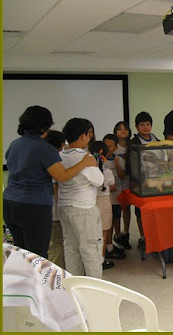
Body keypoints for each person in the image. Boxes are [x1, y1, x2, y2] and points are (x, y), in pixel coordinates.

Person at [3, 106, 96, 259]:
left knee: (20, 253)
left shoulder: (15, 144)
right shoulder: (44, 149)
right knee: (38, 256)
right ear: (44, 125)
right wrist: (85, 161)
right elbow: (62, 176)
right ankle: (39, 283)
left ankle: (25, 282)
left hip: (10, 203)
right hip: (33, 207)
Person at [57, 118, 104, 278]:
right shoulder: (84, 157)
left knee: (71, 248)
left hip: (64, 207)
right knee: (91, 250)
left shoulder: (59, 155)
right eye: (89, 134)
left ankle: (74, 289)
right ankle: (94, 291)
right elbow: (99, 180)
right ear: (83, 136)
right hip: (84, 209)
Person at [128, 111, 160, 249]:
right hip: (141, 181)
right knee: (140, 211)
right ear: (136, 126)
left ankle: (154, 236)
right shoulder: (133, 142)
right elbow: (132, 163)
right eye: (142, 125)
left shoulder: (156, 139)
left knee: (154, 209)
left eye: (148, 124)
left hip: (157, 178)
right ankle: (142, 236)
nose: (145, 127)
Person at [88, 140, 117, 270]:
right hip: (104, 202)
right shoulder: (108, 172)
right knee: (103, 233)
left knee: (91, 232)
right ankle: (101, 260)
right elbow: (113, 186)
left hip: (91, 201)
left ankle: (90, 260)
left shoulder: (88, 171)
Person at [103, 134, 127, 259]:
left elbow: (122, 176)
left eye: (110, 146)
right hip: (105, 198)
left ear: (116, 147)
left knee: (117, 218)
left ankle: (116, 239)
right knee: (107, 223)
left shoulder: (119, 159)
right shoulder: (100, 160)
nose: (108, 148)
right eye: (105, 145)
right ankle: (107, 246)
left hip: (116, 196)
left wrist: (117, 165)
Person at [44, 130, 66, 268]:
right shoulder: (54, 161)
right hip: (55, 213)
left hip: (47, 210)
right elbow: (56, 189)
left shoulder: (42, 157)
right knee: (56, 245)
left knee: (54, 244)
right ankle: (55, 278)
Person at [113, 121, 132, 250]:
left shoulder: (131, 147)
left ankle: (126, 232)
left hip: (128, 182)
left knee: (127, 208)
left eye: (125, 129)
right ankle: (118, 234)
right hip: (115, 183)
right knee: (116, 210)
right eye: (119, 129)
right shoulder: (113, 147)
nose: (123, 131)